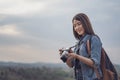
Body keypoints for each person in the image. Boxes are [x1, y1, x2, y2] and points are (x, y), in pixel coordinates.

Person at [59, 13, 103, 80]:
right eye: (74, 26)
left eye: (79, 24)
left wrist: (76, 56)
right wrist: (66, 57)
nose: (76, 28)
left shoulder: (94, 39)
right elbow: (71, 65)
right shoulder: (78, 43)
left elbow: (95, 63)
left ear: (85, 23)